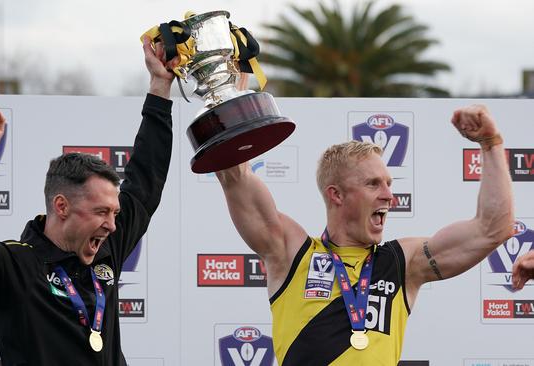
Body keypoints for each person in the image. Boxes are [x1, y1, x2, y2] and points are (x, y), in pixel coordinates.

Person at [0, 37, 177, 366]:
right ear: (62, 206)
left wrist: (160, 87)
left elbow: (146, 179)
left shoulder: (108, 246)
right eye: (101, 212)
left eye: (115, 213)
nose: (111, 224)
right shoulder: (15, 266)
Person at [216, 104, 514, 365]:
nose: (389, 196)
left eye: (389, 183)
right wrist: (229, 89)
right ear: (337, 195)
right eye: (374, 184)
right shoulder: (291, 252)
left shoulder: (403, 263)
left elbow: (492, 229)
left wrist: (491, 144)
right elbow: (234, 174)